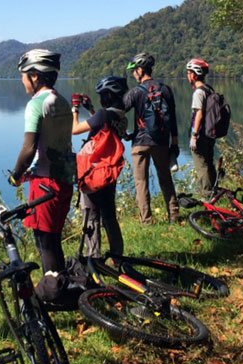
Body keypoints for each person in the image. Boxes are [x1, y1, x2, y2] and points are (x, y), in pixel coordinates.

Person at [8, 49, 77, 303]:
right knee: (54, 237)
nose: (23, 81)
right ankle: (61, 285)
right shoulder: (62, 101)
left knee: (45, 241)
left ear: (35, 76)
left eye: (24, 76)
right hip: (65, 179)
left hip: (45, 182)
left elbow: (28, 148)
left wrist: (16, 175)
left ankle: (52, 294)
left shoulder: (36, 104)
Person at [72, 76, 127, 259]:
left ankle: (93, 258)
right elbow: (102, 127)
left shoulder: (103, 115)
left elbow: (75, 128)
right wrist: (90, 109)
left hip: (93, 172)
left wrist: (75, 109)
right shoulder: (120, 115)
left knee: (91, 217)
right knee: (109, 215)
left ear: (108, 96)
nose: (102, 98)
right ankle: (117, 255)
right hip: (108, 171)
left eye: (103, 95)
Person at [123, 53, 181, 224]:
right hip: (161, 142)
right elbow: (173, 119)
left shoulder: (135, 92)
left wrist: (124, 134)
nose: (134, 74)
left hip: (140, 143)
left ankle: (146, 221)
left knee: (141, 182)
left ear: (140, 70)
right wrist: (175, 144)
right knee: (165, 178)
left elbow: (119, 111)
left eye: (134, 70)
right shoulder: (165, 89)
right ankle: (174, 215)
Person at [186, 59, 218, 196]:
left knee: (201, 166)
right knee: (209, 163)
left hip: (201, 134)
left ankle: (207, 195)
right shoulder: (209, 89)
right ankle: (214, 191)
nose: (188, 76)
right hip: (210, 133)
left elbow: (199, 113)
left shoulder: (198, 93)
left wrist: (194, 135)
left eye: (189, 73)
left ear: (194, 75)